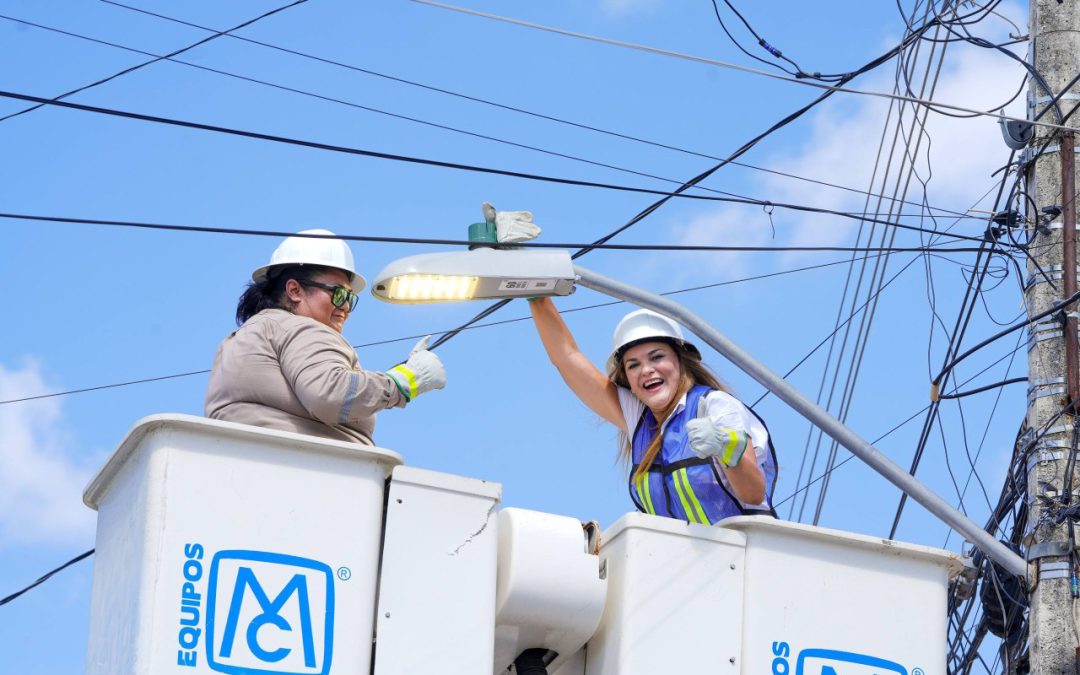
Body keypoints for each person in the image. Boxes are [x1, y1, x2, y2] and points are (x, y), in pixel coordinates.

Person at [530, 299, 777, 523]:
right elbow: (567, 357)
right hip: (684, 563)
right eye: (633, 365)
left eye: (656, 357)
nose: (646, 370)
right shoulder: (639, 421)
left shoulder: (714, 406)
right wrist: (537, 296)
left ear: (680, 362)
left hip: (747, 559)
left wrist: (727, 448)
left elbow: (753, 493)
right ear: (627, 379)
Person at [205, 229, 445, 445]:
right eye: (338, 294)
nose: (346, 307)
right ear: (294, 290)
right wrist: (405, 380)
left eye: (350, 298)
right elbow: (331, 395)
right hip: (313, 474)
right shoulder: (300, 327)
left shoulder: (242, 338)